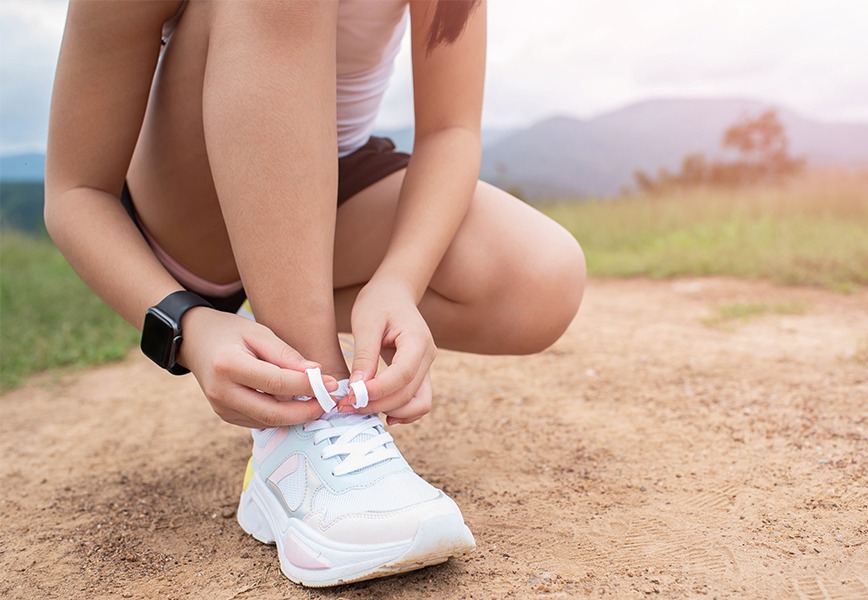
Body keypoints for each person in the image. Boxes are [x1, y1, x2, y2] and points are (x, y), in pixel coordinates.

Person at [45, 0, 586, 588]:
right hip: (192, 216)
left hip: (334, 175)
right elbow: (75, 191)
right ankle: (306, 426)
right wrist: (187, 326)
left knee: (541, 278)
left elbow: (450, 130)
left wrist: (398, 280)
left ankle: (286, 315)